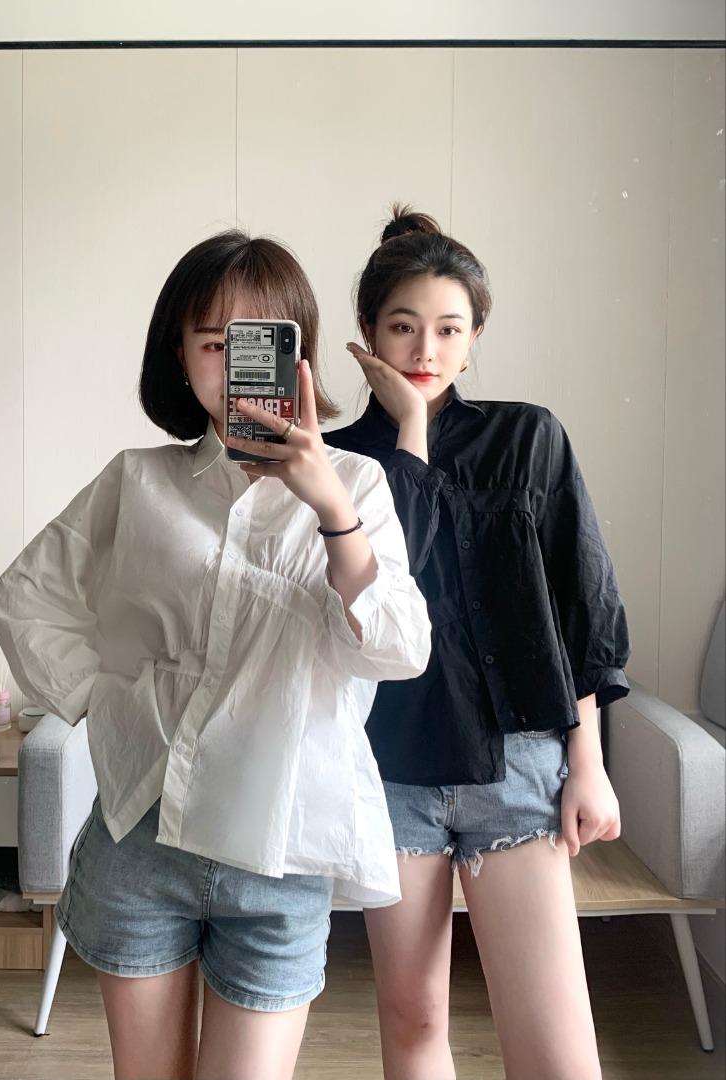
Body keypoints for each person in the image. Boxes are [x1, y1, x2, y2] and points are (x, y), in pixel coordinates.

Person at [0, 229, 431, 1080]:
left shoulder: (357, 485)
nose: (235, 365)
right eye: (214, 343)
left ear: (298, 355)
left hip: (281, 847)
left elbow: (401, 648)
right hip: (142, 838)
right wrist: (107, 703)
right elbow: (24, 598)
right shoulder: (137, 481)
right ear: (180, 357)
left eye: (260, 341)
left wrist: (329, 509)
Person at [323, 205, 630, 1080]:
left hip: (517, 767)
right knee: (413, 1018)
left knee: (554, 1042)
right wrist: (411, 435)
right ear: (367, 333)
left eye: (449, 329)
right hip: (389, 771)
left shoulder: (529, 437)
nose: (426, 349)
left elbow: (578, 612)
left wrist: (587, 763)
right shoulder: (337, 464)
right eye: (403, 326)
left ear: (474, 338)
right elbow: (374, 597)